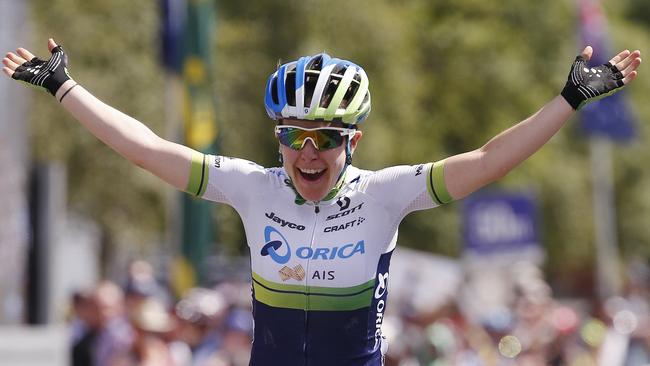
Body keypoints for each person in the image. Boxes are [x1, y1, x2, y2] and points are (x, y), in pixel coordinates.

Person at [2, 38, 641, 366]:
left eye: (325, 140)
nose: (308, 153)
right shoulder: (252, 187)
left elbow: (484, 161)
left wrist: (568, 102)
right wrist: (64, 87)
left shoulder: (385, 196)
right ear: (277, 138)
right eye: (292, 137)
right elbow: (144, 147)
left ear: (352, 139)